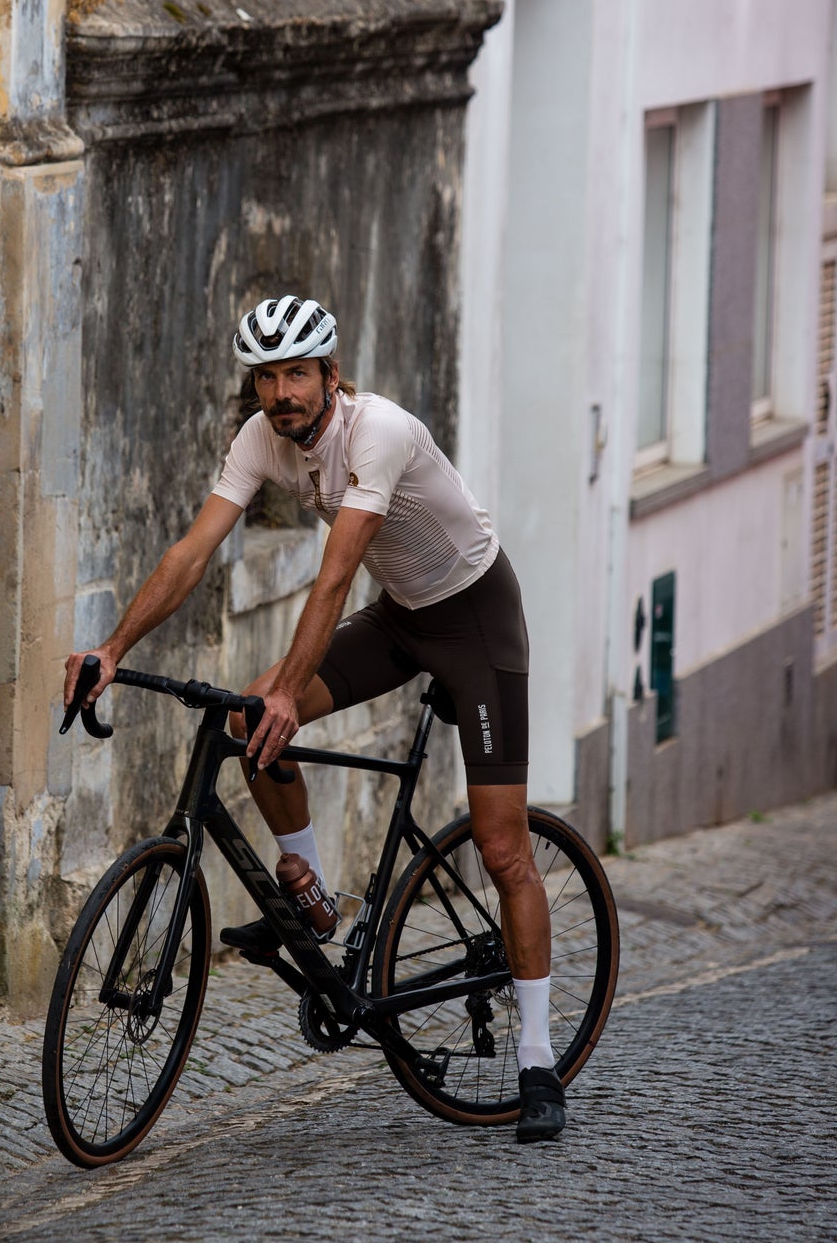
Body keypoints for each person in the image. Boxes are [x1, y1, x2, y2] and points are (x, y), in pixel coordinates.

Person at [63, 295, 566, 1142]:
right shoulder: (261, 439)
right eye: (266, 375)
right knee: (248, 728)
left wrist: (291, 689)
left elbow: (334, 577)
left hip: (476, 620)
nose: (282, 391)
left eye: (298, 372)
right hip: (403, 617)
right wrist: (109, 649)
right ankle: (315, 901)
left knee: (503, 845)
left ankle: (538, 1058)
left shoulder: (383, 431)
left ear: (331, 375)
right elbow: (192, 551)